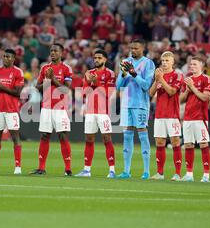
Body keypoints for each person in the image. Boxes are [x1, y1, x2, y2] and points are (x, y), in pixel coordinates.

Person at [115, 39, 155, 179]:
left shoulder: (148, 63)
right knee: (127, 136)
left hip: (140, 104)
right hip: (126, 103)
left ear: (143, 48)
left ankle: (146, 171)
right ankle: (126, 171)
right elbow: (118, 86)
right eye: (131, 48)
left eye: (136, 48)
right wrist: (124, 74)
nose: (133, 50)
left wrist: (133, 73)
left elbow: (146, 86)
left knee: (142, 135)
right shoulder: (126, 61)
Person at [31, 43, 73, 176]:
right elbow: (37, 87)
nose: (53, 53)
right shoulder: (45, 68)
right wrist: (47, 81)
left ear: (62, 53)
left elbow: (66, 89)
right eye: (51, 51)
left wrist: (53, 79)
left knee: (62, 136)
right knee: (44, 136)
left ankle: (68, 169)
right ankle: (41, 168)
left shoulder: (66, 69)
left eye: (55, 51)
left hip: (60, 108)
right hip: (46, 107)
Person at [75, 50, 116, 178]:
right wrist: (90, 82)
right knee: (89, 139)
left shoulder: (110, 73)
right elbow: (84, 92)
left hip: (104, 112)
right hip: (90, 111)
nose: (96, 60)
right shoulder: (88, 73)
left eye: (99, 57)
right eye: (95, 58)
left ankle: (112, 170)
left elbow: (109, 94)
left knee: (107, 139)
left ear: (105, 60)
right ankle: (87, 170)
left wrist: (96, 82)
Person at [149, 51, 183, 181]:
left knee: (175, 142)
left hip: (172, 115)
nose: (164, 63)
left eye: (167, 61)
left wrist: (161, 79)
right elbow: (151, 93)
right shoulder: (159, 75)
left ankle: (178, 173)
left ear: (172, 62)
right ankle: (160, 173)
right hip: (159, 115)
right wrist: (157, 79)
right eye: (163, 61)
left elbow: (171, 91)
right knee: (160, 142)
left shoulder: (177, 76)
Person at [179, 56, 210, 182]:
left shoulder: (206, 79)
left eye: (195, 64)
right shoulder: (187, 80)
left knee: (203, 144)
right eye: (191, 64)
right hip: (188, 117)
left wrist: (192, 88)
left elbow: (205, 98)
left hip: (200, 118)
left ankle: (206, 175)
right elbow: (180, 100)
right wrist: (187, 91)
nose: (192, 66)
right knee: (188, 145)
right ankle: (189, 174)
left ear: (201, 66)